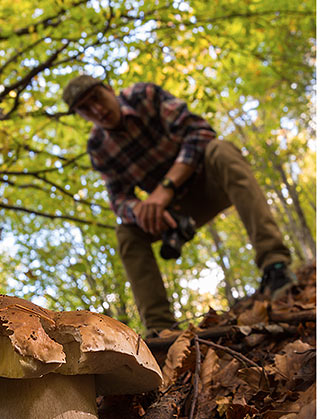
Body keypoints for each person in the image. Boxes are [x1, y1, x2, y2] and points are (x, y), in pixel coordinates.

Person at [62, 75, 296, 337]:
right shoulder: (97, 147)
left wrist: (165, 189)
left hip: (211, 181)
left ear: (109, 89)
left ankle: (275, 267)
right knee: (126, 233)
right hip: (172, 216)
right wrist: (139, 210)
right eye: (84, 108)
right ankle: (160, 329)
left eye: (97, 98)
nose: (96, 109)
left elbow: (200, 132)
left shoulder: (145, 96)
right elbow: (118, 198)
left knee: (221, 150)